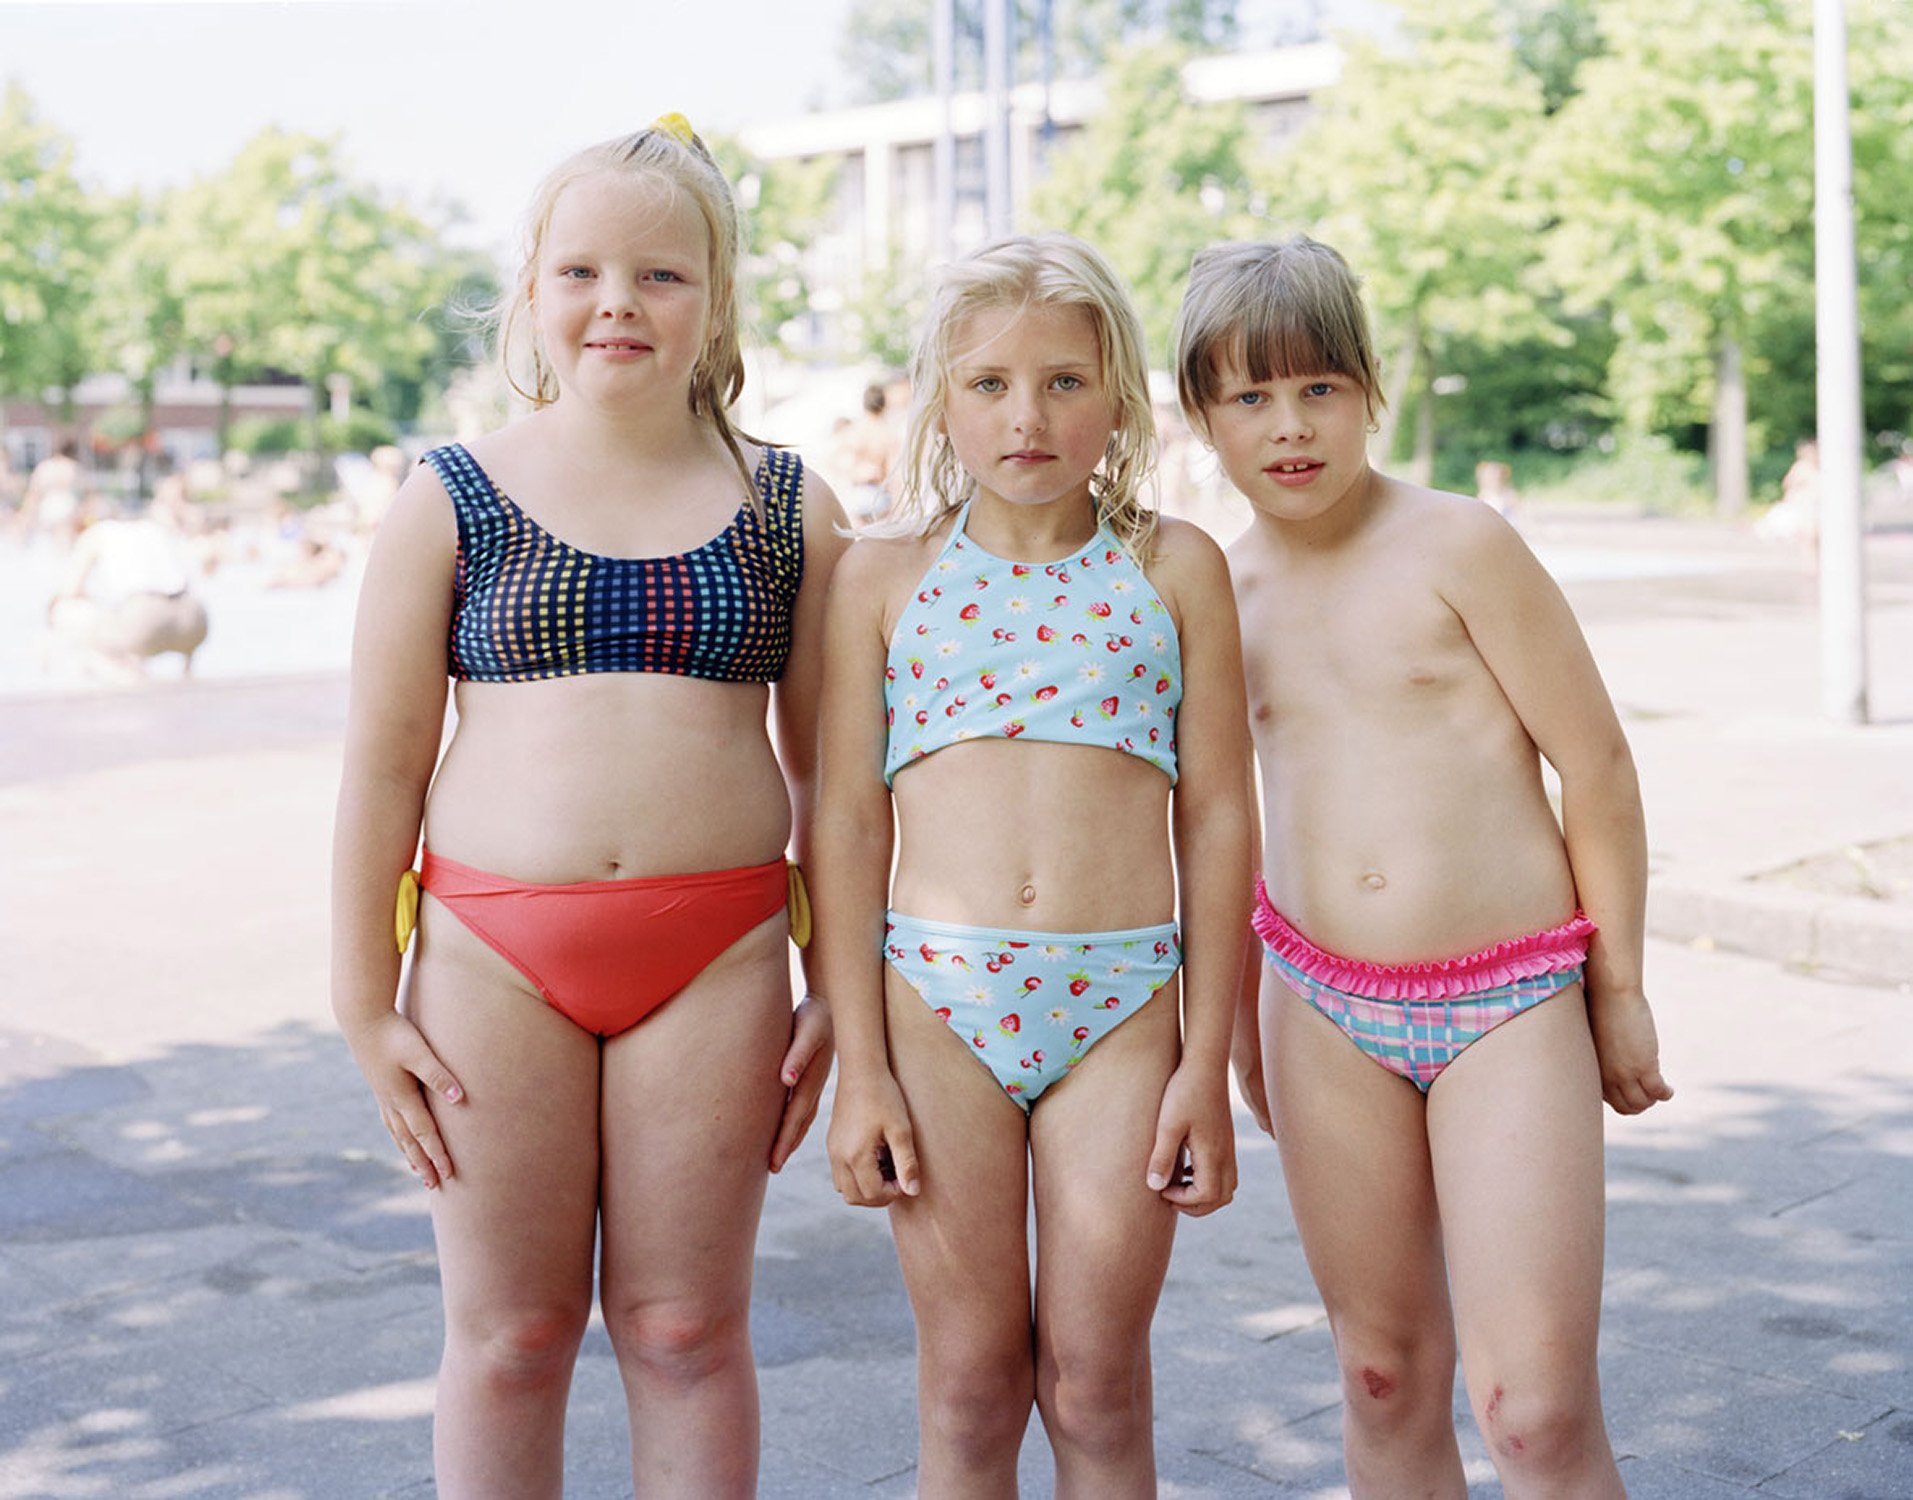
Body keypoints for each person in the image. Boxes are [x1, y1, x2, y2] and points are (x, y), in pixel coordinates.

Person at [329, 115, 846, 1499]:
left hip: (720, 952)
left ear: (716, 300)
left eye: (663, 276)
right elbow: (381, 767)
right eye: (582, 272)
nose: (618, 302)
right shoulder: (452, 498)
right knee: (512, 1334)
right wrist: (364, 1001)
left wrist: (836, 986)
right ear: (533, 290)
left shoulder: (787, 505)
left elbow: (836, 783)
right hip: (493, 957)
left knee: (684, 1328)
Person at [1174, 236, 1672, 1498]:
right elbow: (1225, 820)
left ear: (1368, 389)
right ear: (1201, 415)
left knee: (1534, 1408)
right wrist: (1237, 1026)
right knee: (1382, 1375)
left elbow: (1598, 767)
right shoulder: (1217, 595)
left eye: (1317, 390)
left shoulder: (1459, 546)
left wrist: (1614, 990)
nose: (1289, 428)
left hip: (1507, 1001)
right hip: (1319, 1008)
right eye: (1250, 397)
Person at [815, 233, 1252, 1495]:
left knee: (1095, 1382)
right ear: (940, 403)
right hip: (933, 1002)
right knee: (967, 1385)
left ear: (1116, 395)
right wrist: (861, 1068)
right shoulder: (882, 580)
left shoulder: (1176, 571)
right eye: (990, 383)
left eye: (1064, 381)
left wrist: (1204, 1063)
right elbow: (845, 819)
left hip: (1118, 1007)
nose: (1028, 415)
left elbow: (1218, 816)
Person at [45, 502, 208, 681]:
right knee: (128, 615)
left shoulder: (97, 532)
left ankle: (128, 681)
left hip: (147, 620)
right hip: (194, 619)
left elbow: (70, 591)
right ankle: (186, 678)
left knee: (64, 611)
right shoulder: (152, 528)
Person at [832, 379, 902, 523]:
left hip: (858, 495)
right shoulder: (888, 434)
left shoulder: (855, 431)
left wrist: (858, 473)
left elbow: (837, 462)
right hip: (881, 495)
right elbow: (894, 474)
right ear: (884, 404)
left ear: (864, 404)